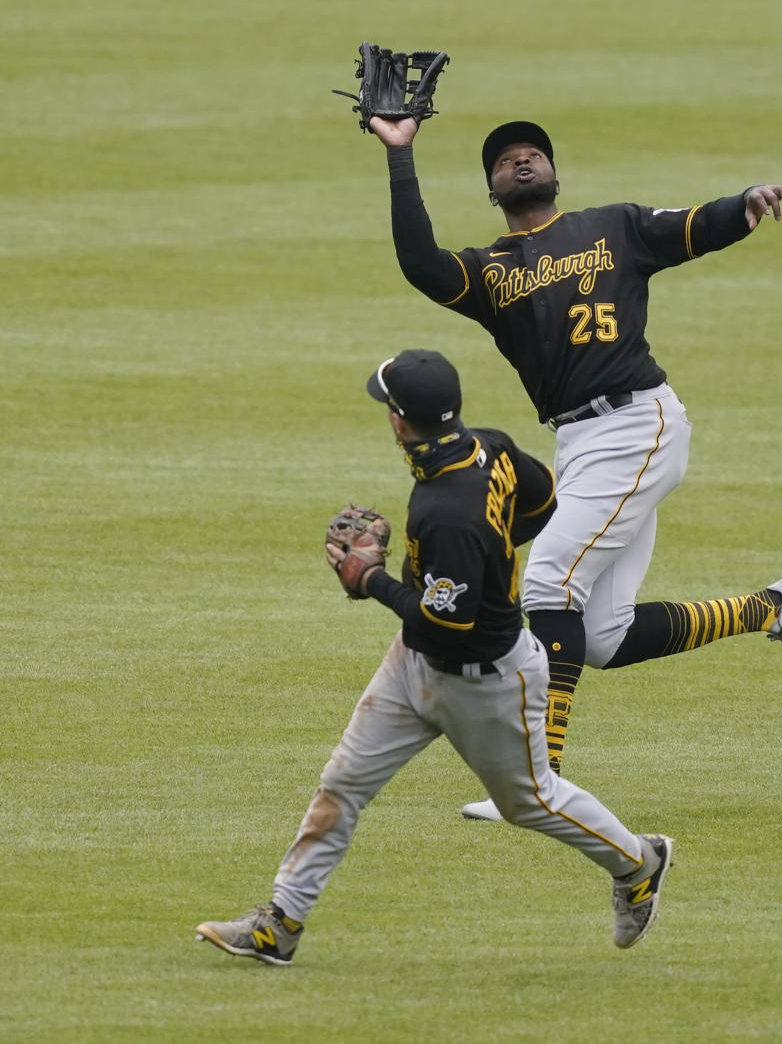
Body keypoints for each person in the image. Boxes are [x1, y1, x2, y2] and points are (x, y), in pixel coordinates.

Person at [366, 116, 782, 821]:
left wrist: (744, 204)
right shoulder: (492, 273)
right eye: (505, 160)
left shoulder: (613, 226)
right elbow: (419, 263)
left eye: (532, 154)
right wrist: (400, 155)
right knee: (604, 635)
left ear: (554, 173)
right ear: (493, 190)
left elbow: (691, 226)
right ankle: (772, 606)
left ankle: (538, 779)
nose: (520, 161)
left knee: (552, 579)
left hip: (637, 421)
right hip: (579, 443)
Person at [194, 349, 674, 964]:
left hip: (489, 685)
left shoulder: (447, 510)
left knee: (530, 802)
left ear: (399, 420)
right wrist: (473, 562)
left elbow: (449, 623)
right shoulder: (489, 447)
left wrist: (368, 580)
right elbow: (542, 501)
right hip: (413, 663)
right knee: (342, 785)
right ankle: (279, 924)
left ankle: (640, 861)